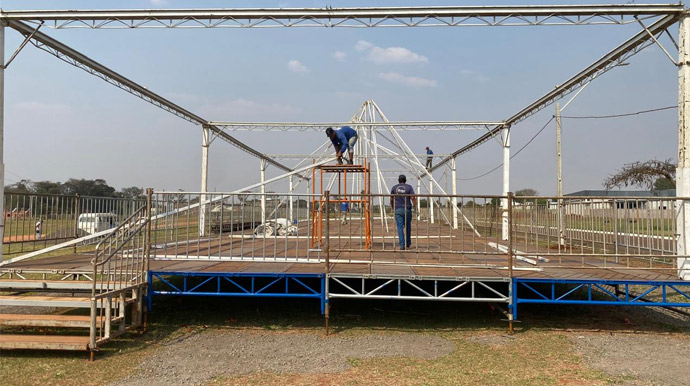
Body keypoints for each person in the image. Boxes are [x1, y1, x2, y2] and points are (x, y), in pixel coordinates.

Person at [390, 174, 416, 250]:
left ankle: (402, 245)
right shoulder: (409, 187)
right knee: (408, 226)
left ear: (398, 180)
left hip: (398, 209)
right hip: (407, 209)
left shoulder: (394, 188)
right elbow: (412, 197)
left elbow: (391, 199)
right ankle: (408, 243)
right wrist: (415, 205)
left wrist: (393, 207)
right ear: (405, 180)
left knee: (400, 227)